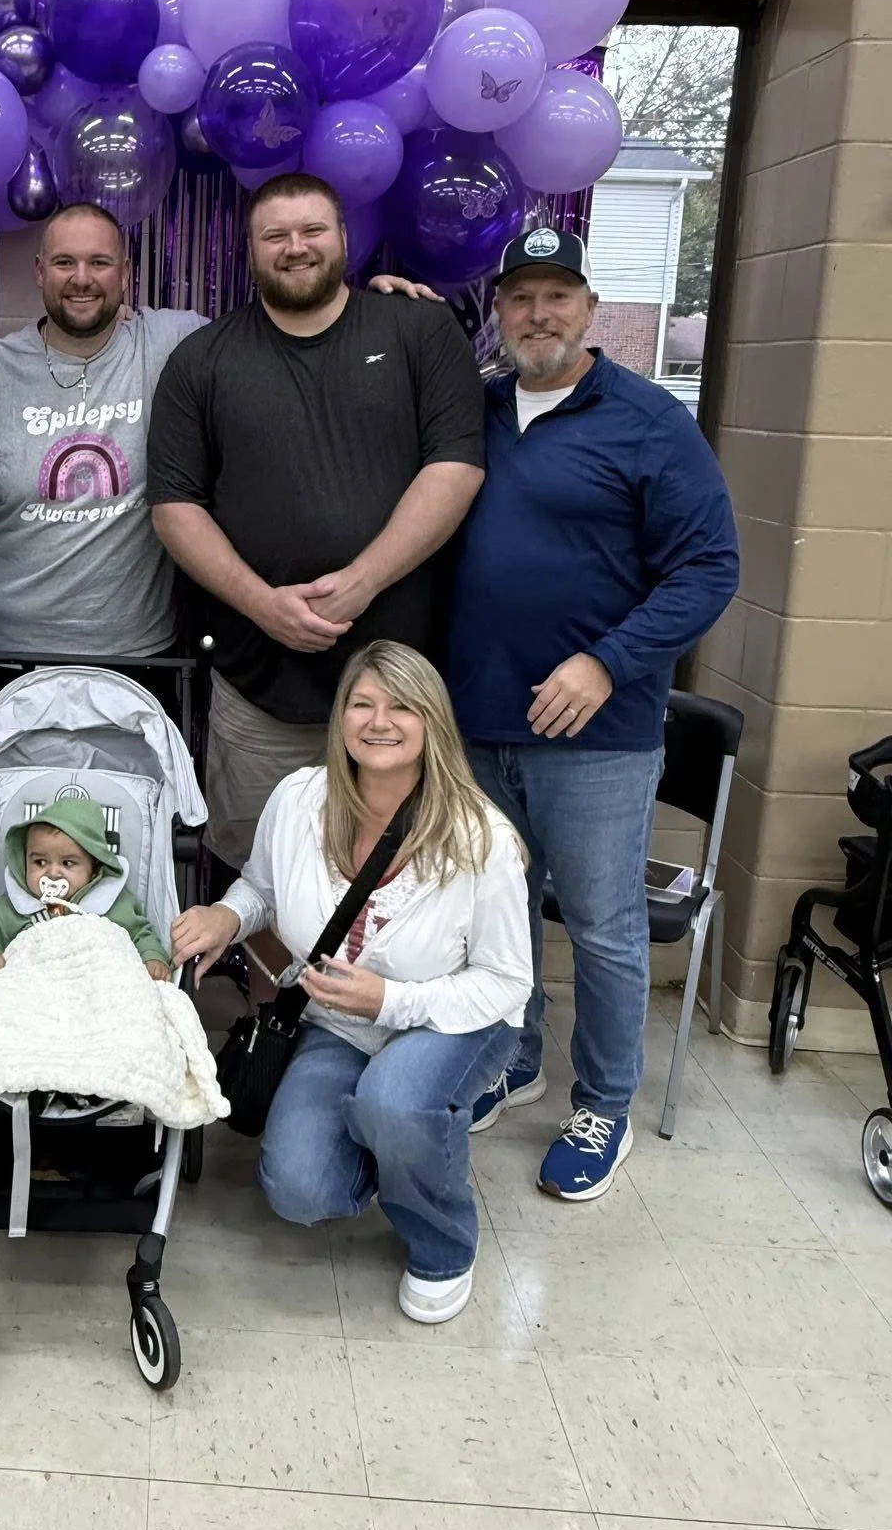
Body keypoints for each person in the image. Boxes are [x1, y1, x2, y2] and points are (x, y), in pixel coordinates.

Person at [446, 226, 739, 1201]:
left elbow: (709, 568)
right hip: (480, 722)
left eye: (557, 295)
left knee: (607, 928)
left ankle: (602, 1101)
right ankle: (517, 1054)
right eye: (520, 297)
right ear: (499, 312)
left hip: (597, 733)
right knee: (502, 906)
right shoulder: (475, 412)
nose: (538, 314)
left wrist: (608, 663)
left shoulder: (650, 420)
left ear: (590, 306)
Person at [170, 640, 530, 1325]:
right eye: (361, 703)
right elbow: (263, 890)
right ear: (340, 718)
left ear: (433, 722)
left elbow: (508, 981)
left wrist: (390, 1000)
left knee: (395, 1099)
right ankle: (402, 1139)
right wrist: (225, 916)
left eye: (401, 705)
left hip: (450, 1025)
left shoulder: (482, 838)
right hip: (338, 1026)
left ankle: (442, 1239)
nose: (379, 720)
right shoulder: (300, 798)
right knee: (298, 1189)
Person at [147, 172, 486, 878]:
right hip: (260, 679)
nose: (295, 248)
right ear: (249, 251)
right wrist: (262, 605)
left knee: (399, 870)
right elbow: (175, 507)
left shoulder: (419, 330)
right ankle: (278, 995)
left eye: (313, 231)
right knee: (264, 865)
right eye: (275, 235)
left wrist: (363, 582)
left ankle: (367, 994)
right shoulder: (203, 360)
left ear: (345, 240)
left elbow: (455, 468)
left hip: (400, 679)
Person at [0, 202, 205, 669]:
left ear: (126, 273)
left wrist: (377, 306)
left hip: (140, 654)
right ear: (39, 272)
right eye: (64, 262)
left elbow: (268, 335)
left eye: (99, 262)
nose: (81, 278)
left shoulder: (171, 341)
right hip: (5, 654)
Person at [0, 796, 171, 981]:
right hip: (32, 982)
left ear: (94, 867)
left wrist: (152, 958)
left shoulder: (113, 902)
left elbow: (140, 935)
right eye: (40, 862)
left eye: (67, 863)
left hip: (96, 980)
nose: (53, 873)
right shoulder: (9, 908)